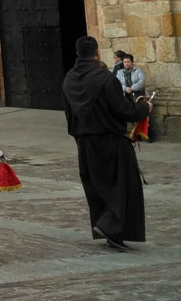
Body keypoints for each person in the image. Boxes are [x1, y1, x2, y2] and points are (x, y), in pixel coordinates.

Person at [62, 36, 152, 249]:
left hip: (84, 142)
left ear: (77, 54)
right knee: (123, 185)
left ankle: (110, 229)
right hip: (109, 139)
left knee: (97, 186)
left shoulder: (69, 79)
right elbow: (122, 109)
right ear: (97, 53)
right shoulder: (104, 78)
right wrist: (143, 109)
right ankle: (111, 227)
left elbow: (68, 112)